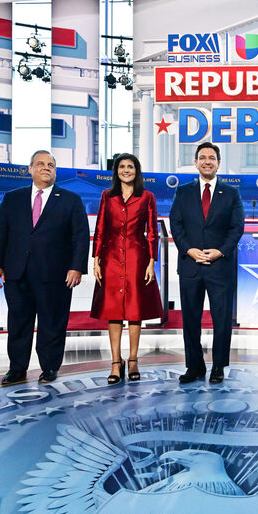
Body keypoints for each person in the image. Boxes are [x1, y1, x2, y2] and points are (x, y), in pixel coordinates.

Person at [0, 149, 90, 385]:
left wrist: (77, 267)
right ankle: (17, 368)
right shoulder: (12, 198)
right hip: (17, 272)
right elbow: (0, 233)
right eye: (41, 164)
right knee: (18, 323)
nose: (46, 168)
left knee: (52, 323)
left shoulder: (70, 200)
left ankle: (50, 367)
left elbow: (80, 236)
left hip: (56, 274)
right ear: (30, 169)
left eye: (51, 165)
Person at [169, 141, 245, 385]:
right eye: (202, 157)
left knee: (221, 318)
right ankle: (194, 366)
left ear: (219, 163)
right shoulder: (183, 192)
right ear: (195, 162)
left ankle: (218, 367)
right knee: (190, 319)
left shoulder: (231, 193)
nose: (207, 161)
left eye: (212, 158)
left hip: (219, 266)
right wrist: (189, 250)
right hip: (191, 266)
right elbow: (176, 225)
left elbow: (237, 228)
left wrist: (220, 252)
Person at [90, 153, 164, 384]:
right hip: (111, 259)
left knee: (134, 311)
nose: (126, 170)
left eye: (130, 167)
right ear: (116, 171)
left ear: (137, 170)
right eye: (122, 167)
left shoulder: (147, 197)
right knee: (113, 311)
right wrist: (96, 260)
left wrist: (152, 262)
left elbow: (152, 232)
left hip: (137, 258)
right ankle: (115, 362)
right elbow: (100, 229)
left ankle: (132, 360)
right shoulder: (107, 196)